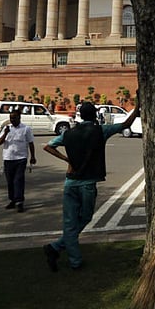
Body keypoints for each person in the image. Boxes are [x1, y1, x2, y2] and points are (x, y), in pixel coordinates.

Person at [42, 101, 140, 271]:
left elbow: (48, 146)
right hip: (87, 183)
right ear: (95, 115)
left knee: (69, 222)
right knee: (85, 218)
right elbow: (126, 124)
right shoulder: (100, 131)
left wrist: (66, 159)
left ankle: (60, 249)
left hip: (70, 182)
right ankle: (68, 256)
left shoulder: (69, 134)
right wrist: (137, 107)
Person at [0, 109, 36, 213]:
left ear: (19, 118)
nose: (12, 120)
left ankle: (19, 202)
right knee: (10, 181)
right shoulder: (6, 128)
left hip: (21, 159)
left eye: (14, 118)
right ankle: (12, 200)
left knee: (18, 180)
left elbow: (31, 143)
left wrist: (33, 157)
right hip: (8, 158)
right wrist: (5, 133)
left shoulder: (26, 129)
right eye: (11, 118)